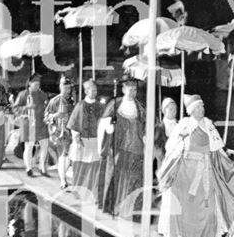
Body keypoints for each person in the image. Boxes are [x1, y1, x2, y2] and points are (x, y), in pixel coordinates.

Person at [157, 94, 234, 237]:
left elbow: (218, 152)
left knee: (207, 212)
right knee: (185, 213)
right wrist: (180, 142)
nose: (201, 109)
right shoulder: (184, 124)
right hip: (185, 174)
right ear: (190, 110)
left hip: (205, 175)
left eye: (202, 106)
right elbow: (171, 148)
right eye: (198, 107)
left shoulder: (209, 125)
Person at [96, 77, 145, 219]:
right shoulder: (115, 104)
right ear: (123, 89)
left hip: (136, 147)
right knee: (117, 177)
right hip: (119, 147)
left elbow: (144, 125)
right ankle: (115, 207)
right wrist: (109, 128)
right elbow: (103, 123)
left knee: (134, 179)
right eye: (129, 89)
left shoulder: (140, 107)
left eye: (134, 89)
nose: (132, 92)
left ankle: (132, 210)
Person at [66, 79, 104, 197]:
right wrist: (76, 136)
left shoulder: (100, 106)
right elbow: (73, 122)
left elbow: (104, 122)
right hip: (82, 141)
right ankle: (78, 191)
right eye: (92, 90)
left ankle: (93, 191)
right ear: (86, 91)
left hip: (96, 140)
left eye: (95, 90)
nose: (94, 92)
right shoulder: (80, 105)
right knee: (80, 166)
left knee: (94, 167)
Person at [14, 73, 50, 177]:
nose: (37, 85)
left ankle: (42, 167)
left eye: (39, 83)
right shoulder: (23, 94)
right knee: (29, 147)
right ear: (29, 83)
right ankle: (29, 168)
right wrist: (27, 107)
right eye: (35, 83)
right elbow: (15, 109)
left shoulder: (43, 94)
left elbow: (47, 107)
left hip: (42, 124)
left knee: (45, 145)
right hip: (29, 124)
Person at [45, 76, 76, 189]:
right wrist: (55, 115)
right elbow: (46, 117)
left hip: (72, 131)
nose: (67, 90)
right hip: (60, 132)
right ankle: (63, 180)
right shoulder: (54, 101)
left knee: (69, 155)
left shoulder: (72, 100)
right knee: (63, 155)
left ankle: (65, 175)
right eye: (65, 87)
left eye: (69, 88)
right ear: (60, 87)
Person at [154, 97, 178, 166]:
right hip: (164, 163)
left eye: (175, 109)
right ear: (164, 111)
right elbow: (157, 148)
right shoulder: (158, 128)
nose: (174, 111)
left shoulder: (180, 125)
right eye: (171, 109)